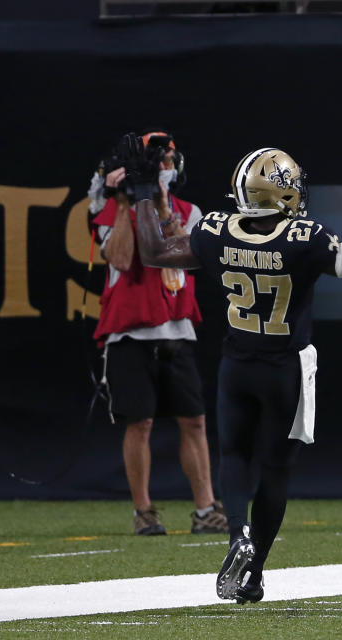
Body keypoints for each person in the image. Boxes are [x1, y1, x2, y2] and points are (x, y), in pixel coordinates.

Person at [131, 135, 342, 604]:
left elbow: (153, 252)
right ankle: (253, 573)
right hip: (286, 371)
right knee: (276, 469)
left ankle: (238, 536)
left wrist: (140, 192)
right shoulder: (302, 238)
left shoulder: (216, 231)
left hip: (237, 365)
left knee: (234, 455)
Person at [89, 130, 227, 536]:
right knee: (140, 423)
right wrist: (126, 200)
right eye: (154, 162)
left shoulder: (189, 209)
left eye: (165, 160)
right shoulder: (110, 210)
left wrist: (161, 201)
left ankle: (206, 509)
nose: (161, 168)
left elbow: (183, 253)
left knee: (195, 421)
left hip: (176, 328)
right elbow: (121, 256)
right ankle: (144, 511)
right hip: (129, 333)